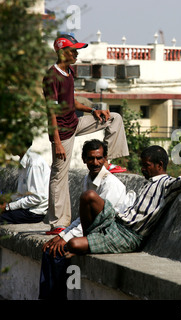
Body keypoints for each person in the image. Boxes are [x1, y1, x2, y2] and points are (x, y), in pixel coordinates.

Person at [43, 34, 129, 235]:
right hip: (62, 132)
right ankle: (58, 224)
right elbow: (51, 112)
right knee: (59, 175)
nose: (76, 53)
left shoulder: (69, 71)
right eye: (73, 50)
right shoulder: (51, 77)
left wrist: (93, 111)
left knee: (113, 117)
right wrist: (57, 142)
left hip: (75, 122)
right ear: (63, 52)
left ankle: (108, 164)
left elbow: (71, 102)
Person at [66, 145, 181, 255]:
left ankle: (88, 242)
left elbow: (180, 181)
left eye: (146, 165)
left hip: (128, 236)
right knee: (89, 196)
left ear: (159, 165)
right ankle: (89, 237)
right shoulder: (148, 182)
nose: (142, 169)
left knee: (73, 244)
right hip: (117, 222)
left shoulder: (164, 183)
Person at [39, 139, 134, 299]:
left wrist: (66, 239)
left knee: (60, 251)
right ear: (84, 159)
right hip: (92, 229)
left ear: (105, 159)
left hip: (107, 232)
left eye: (99, 158)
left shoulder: (111, 184)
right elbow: (82, 218)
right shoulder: (87, 179)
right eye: (91, 158)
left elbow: (100, 219)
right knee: (50, 249)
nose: (95, 162)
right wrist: (61, 236)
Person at [0, 140, 50, 224]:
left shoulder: (34, 163)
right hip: (27, 208)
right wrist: (7, 200)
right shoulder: (24, 161)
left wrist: (7, 207)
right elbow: (22, 194)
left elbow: (36, 198)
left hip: (34, 212)